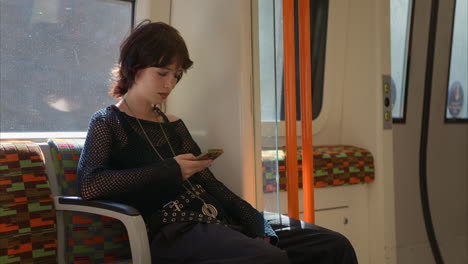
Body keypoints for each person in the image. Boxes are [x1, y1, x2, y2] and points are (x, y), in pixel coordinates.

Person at [77, 20, 358, 264]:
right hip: (172, 229)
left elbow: (212, 185)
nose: (170, 84)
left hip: (216, 217)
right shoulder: (108, 121)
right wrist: (170, 170)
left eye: (176, 75)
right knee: (267, 259)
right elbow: (91, 184)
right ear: (133, 67)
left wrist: (259, 227)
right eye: (162, 73)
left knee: (333, 245)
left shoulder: (172, 125)